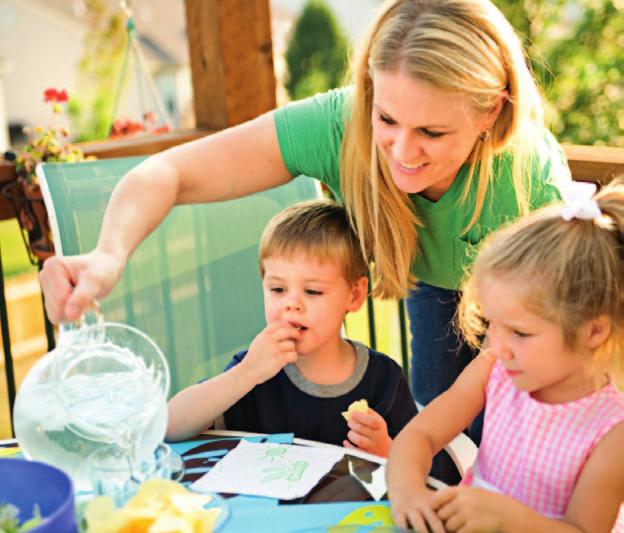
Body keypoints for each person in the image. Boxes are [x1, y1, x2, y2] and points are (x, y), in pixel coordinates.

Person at [39, 0, 569, 479]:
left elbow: (511, 345)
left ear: (491, 112)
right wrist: (108, 256)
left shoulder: (529, 182)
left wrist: (428, 443)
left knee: (509, 446)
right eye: (387, 118)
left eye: (432, 133)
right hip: (435, 282)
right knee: (444, 443)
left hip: (537, 311)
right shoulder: (340, 125)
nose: (403, 152)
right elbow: (167, 173)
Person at [386, 179, 624, 532]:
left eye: (521, 332)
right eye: (492, 324)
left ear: (592, 331)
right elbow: (419, 435)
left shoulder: (613, 430)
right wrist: (407, 491)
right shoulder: (493, 366)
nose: (498, 344)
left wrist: (511, 521)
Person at [165, 200, 417, 457]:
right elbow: (170, 426)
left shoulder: (382, 379)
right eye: (277, 289)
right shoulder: (254, 370)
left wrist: (388, 452)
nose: (292, 304)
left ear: (354, 295)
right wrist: (246, 373)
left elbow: (425, 469)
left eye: (312, 291)